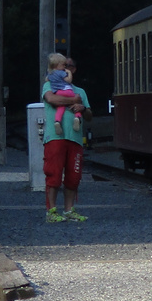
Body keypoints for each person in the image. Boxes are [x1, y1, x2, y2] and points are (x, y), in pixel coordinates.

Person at [42, 54, 89, 222]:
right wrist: (73, 100)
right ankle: (51, 211)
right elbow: (51, 99)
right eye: (63, 66)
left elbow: (89, 114)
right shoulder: (49, 84)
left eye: (68, 66)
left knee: (73, 176)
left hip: (75, 138)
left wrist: (82, 107)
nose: (64, 69)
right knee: (53, 174)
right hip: (55, 137)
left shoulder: (80, 91)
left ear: (73, 70)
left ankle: (69, 210)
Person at [45, 61, 80, 133]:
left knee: (60, 107)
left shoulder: (51, 74)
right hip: (67, 90)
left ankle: (57, 121)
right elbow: (69, 80)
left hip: (58, 92)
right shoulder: (61, 72)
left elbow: (46, 79)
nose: (65, 67)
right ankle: (77, 117)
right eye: (64, 65)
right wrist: (69, 73)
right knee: (75, 104)